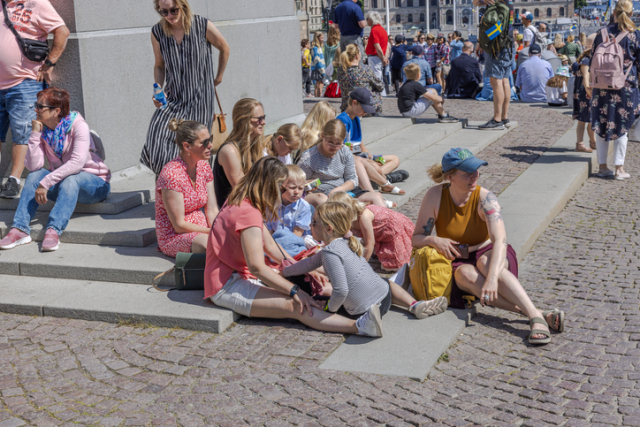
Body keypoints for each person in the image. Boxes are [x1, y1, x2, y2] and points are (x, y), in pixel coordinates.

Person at [204, 157, 384, 338]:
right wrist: (294, 290)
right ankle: (360, 326)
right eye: (281, 186)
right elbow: (257, 267)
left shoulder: (244, 201)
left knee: (314, 285)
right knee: (297, 304)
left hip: (240, 275)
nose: (282, 191)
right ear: (270, 185)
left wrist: (301, 270)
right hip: (227, 285)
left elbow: (271, 247)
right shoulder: (248, 213)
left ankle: (367, 300)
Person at [414, 147, 565, 345]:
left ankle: (534, 319)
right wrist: (434, 240)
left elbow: (500, 239)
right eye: (467, 173)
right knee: (464, 274)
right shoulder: (435, 195)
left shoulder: (485, 198)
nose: (474, 176)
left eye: (476, 170)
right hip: (458, 258)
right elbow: (416, 238)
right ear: (449, 177)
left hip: (489, 251)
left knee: (486, 264)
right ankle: (537, 313)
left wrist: (492, 278)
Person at [282, 201, 448, 329]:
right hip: (384, 297)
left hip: (363, 311)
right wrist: (286, 271)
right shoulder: (346, 241)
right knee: (386, 282)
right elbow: (309, 263)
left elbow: (341, 290)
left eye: (314, 222)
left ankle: (361, 324)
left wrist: (329, 309)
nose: (310, 226)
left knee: (317, 302)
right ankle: (414, 305)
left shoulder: (329, 253)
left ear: (329, 228)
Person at [0, 88, 111, 252]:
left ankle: (53, 229)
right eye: (35, 105)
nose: (35, 110)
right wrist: (35, 135)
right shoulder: (44, 129)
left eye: (40, 106)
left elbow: (76, 164)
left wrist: (46, 182)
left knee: (72, 178)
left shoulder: (78, 125)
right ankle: (20, 229)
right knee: (35, 175)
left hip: (95, 183)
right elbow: (34, 166)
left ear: (56, 111)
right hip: (63, 182)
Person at [141, 0, 230, 177]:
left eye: (173, 10)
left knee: (197, 148)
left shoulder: (202, 25)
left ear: (183, 6)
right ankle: (171, 184)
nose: (169, 16)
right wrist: (158, 89)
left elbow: (224, 48)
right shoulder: (158, 32)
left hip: (200, 100)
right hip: (173, 98)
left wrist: (218, 77)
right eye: (163, 12)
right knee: (156, 138)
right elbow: (159, 65)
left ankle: (199, 194)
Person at [0, 0, 70, 199]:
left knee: (22, 133)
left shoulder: (36, 3)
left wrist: (50, 63)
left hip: (24, 81)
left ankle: (13, 180)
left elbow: (62, 31)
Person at [590, 0, 640, 181]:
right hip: (625, 88)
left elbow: (592, 60)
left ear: (613, 12)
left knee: (601, 124)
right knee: (622, 126)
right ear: (631, 13)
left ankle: (602, 166)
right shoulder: (634, 36)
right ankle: (619, 169)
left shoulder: (600, 33)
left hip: (601, 87)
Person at [155, 119, 217, 257]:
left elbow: (212, 209)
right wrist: (212, 231)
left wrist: (218, 228)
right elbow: (179, 225)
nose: (210, 145)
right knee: (210, 244)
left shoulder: (204, 166)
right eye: (204, 142)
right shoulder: (171, 175)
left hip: (204, 230)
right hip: (175, 236)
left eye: (210, 139)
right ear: (187, 147)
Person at [298, 119, 387, 208]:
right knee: (330, 204)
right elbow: (298, 184)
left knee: (376, 196)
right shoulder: (309, 158)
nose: (334, 147)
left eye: (338, 144)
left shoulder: (344, 151)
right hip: (323, 196)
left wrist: (337, 190)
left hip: (343, 192)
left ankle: (387, 220)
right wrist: (308, 185)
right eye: (330, 143)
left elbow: (353, 180)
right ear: (322, 136)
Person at [336, 88, 406, 196]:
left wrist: (373, 158)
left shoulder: (357, 119)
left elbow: (361, 146)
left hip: (361, 156)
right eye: (364, 109)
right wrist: (371, 162)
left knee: (394, 159)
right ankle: (383, 180)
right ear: (354, 103)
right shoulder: (342, 121)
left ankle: (377, 179)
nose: (365, 112)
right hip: (353, 160)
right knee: (376, 168)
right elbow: (343, 151)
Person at [329, 192, 414, 271]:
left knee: (392, 266)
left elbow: (370, 243)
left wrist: (361, 267)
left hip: (394, 229)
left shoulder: (364, 216)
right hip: (380, 233)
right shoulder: (348, 219)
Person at [212, 98, 265, 208]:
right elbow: (243, 191)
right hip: (233, 212)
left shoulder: (254, 147)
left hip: (250, 208)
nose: (263, 122)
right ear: (244, 121)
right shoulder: (229, 151)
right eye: (259, 119)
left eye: (263, 118)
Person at [474, 0, 513, 131]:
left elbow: (475, 4)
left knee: (495, 82)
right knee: (505, 81)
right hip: (506, 43)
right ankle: (504, 117)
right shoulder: (506, 4)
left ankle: (497, 120)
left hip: (495, 47)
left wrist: (482, 42)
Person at [266, 165, 314, 256]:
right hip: (275, 242)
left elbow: (296, 235)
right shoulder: (270, 205)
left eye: (300, 188)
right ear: (280, 187)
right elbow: (269, 232)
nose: (297, 192)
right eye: (292, 187)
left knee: (300, 250)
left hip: (295, 241)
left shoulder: (304, 207)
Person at [337, 44, 384, 116]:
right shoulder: (366, 70)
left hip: (347, 108)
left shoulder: (341, 70)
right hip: (365, 109)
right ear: (356, 56)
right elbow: (380, 87)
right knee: (376, 90)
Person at [572, 34, 596, 153]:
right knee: (585, 119)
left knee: (589, 119)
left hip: (585, 91)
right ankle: (581, 143)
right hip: (585, 91)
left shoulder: (588, 58)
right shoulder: (586, 60)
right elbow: (586, 76)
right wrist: (588, 89)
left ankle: (592, 142)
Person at [364, 11, 389, 96]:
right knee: (378, 77)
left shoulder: (374, 30)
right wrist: (385, 58)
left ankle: (380, 95)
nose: (366, 20)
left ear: (371, 20)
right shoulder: (383, 30)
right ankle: (381, 94)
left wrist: (383, 58)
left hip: (374, 57)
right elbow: (387, 46)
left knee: (376, 78)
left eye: (367, 19)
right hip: (378, 57)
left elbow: (377, 47)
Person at [310, 32, 326, 98]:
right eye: (321, 38)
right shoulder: (315, 48)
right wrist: (322, 70)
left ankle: (318, 97)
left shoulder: (318, 47)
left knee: (318, 84)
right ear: (317, 38)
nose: (322, 39)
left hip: (318, 67)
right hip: (318, 68)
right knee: (319, 84)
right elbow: (317, 60)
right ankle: (318, 98)